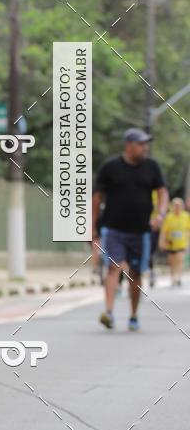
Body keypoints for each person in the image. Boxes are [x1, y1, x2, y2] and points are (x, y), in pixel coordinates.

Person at [92, 128, 168, 331]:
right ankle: (108, 312)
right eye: (141, 144)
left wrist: (160, 214)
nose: (145, 148)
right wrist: (92, 227)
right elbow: (96, 197)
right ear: (129, 145)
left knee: (136, 274)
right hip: (113, 229)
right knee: (114, 267)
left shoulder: (152, 167)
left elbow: (162, 192)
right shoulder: (111, 167)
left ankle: (133, 315)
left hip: (141, 231)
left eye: (145, 144)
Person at [159, 198, 190, 287]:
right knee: (172, 261)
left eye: (179, 205)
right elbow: (164, 231)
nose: (177, 207)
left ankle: (178, 278)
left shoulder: (186, 216)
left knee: (180, 260)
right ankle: (173, 277)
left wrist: (188, 241)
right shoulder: (169, 217)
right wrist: (162, 242)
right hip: (171, 243)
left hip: (181, 243)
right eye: (175, 205)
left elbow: (188, 230)